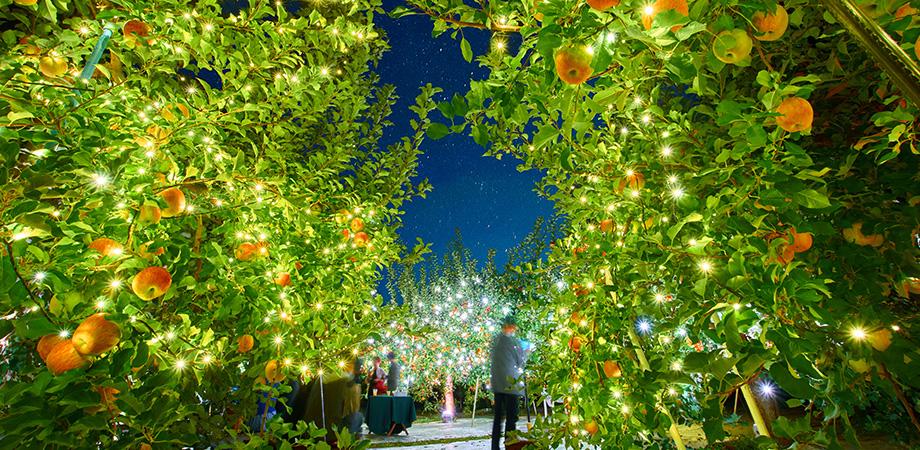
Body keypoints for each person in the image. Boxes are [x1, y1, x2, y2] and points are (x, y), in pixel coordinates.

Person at [490, 316, 525, 450]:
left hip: (498, 384)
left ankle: (495, 447)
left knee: (498, 418)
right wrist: (526, 352)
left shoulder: (496, 340)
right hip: (511, 384)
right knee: (511, 417)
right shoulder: (513, 342)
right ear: (511, 326)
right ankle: (509, 445)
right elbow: (520, 361)